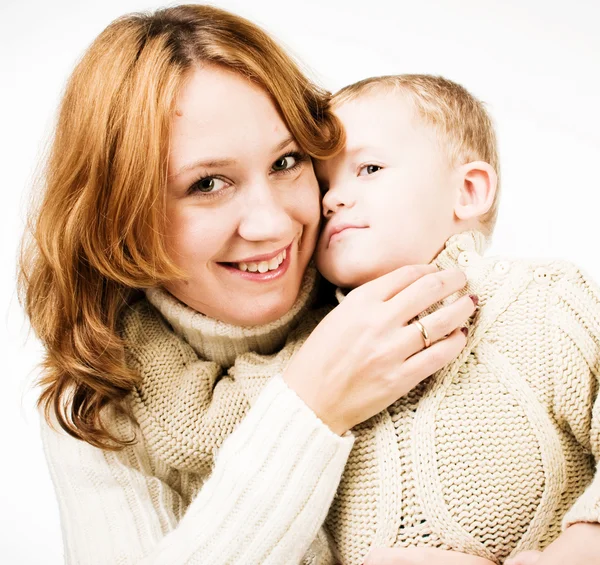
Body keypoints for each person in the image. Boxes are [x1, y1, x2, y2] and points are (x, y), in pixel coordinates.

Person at [18, 7, 477, 565]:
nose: (273, 224)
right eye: (207, 183)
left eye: (287, 161)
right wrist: (309, 407)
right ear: (122, 215)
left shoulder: (398, 286)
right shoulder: (96, 399)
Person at [313, 74, 600, 565]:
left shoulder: (546, 301)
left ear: (468, 191)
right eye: (322, 184)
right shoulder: (308, 358)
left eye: (369, 168)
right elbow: (191, 426)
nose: (331, 199)